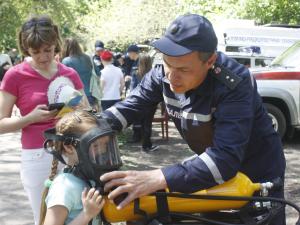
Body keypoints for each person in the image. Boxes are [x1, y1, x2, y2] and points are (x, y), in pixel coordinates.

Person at [100, 14, 286, 225]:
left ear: (210, 61)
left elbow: (224, 160)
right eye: (168, 64)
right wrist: (87, 128)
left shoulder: (234, 82)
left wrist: (157, 177)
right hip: (209, 171)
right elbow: (128, 108)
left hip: (257, 174)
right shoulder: (162, 72)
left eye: (183, 70)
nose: (171, 76)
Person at [0, 15, 89, 225]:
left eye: (48, 50)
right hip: (37, 156)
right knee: (43, 217)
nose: (43, 57)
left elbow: (88, 112)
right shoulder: (15, 75)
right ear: (26, 49)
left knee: (77, 213)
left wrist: (77, 109)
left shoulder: (69, 73)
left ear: (56, 44)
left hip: (73, 153)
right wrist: (30, 118)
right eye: (35, 51)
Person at [39, 110, 121, 225]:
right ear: (69, 147)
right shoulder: (64, 187)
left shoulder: (90, 177)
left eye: (105, 145)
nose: (102, 151)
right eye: (96, 145)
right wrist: (87, 214)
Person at [61, 38, 100, 111]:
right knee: (91, 119)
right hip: (91, 94)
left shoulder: (66, 61)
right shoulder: (87, 57)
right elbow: (98, 73)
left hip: (75, 98)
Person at [131, 53, 159, 152]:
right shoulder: (154, 73)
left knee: (140, 122)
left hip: (138, 101)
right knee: (147, 124)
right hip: (150, 102)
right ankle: (146, 145)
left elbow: (132, 88)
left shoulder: (135, 73)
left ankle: (140, 140)